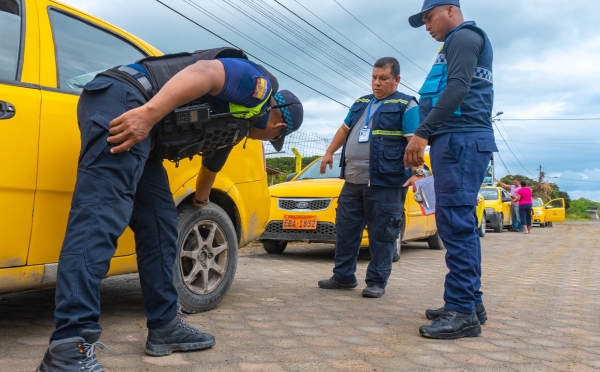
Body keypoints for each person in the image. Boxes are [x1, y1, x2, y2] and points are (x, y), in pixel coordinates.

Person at [36, 48, 303, 371]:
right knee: (98, 221)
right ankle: (69, 347)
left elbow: (210, 169)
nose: (266, 138)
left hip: (144, 134)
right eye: (273, 137)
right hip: (125, 102)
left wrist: (202, 201)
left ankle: (164, 325)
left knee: (162, 225)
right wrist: (148, 115)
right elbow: (204, 72)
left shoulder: (235, 124)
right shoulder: (257, 85)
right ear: (278, 124)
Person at [405, 0, 498, 339]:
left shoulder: (463, 37)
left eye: (429, 17)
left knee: (456, 226)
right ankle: (470, 302)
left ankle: (461, 313)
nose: (426, 26)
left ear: (450, 10)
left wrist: (422, 133)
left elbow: (458, 87)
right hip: (458, 140)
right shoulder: (458, 43)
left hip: (460, 139)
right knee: (461, 225)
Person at [317, 57, 421, 298]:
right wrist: (329, 152)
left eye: (383, 78)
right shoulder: (361, 103)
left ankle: (376, 282)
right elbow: (344, 129)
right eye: (374, 78)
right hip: (353, 181)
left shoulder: (406, 105)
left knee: (382, 234)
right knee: (346, 231)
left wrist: (418, 173)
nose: (376, 83)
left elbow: (414, 143)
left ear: (396, 80)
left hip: (385, 183)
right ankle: (343, 277)